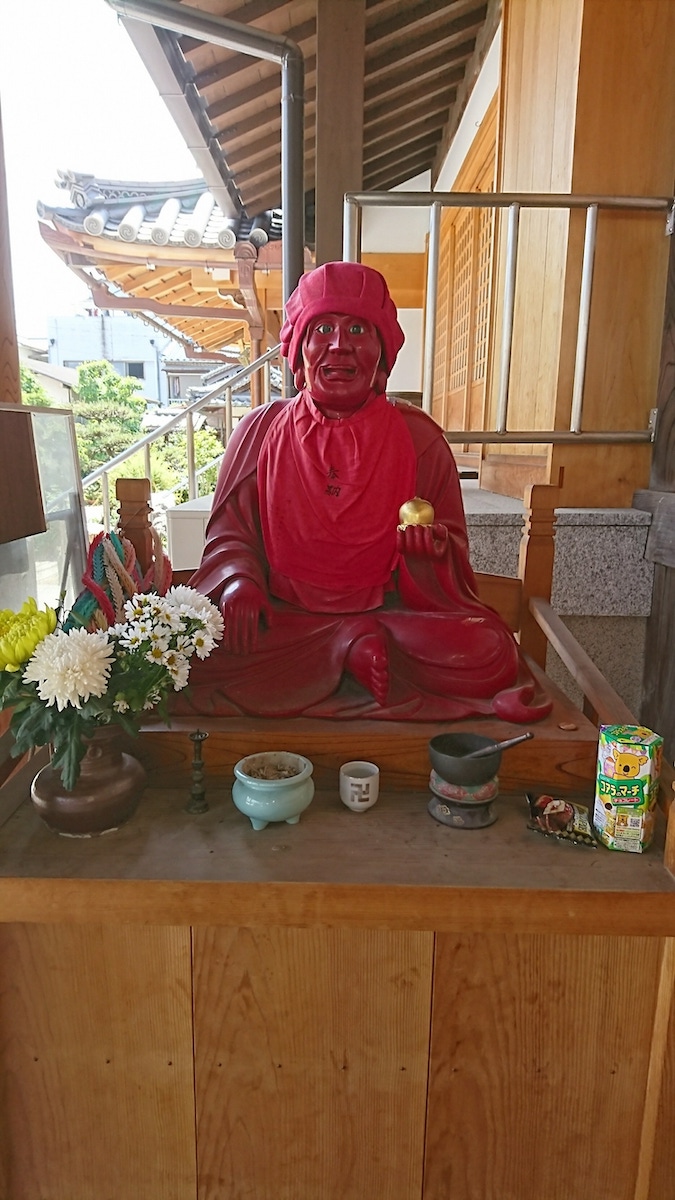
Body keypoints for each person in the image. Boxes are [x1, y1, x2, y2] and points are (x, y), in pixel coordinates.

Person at [182, 262, 551, 722]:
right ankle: (347, 647)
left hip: (389, 619)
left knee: (490, 649)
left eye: (358, 329)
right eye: (322, 329)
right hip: (286, 619)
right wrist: (239, 581)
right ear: (298, 350)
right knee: (190, 650)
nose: (339, 345)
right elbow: (230, 535)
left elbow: (452, 571)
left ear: (381, 352)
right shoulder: (259, 431)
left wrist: (426, 557)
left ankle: (352, 645)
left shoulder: (420, 440)